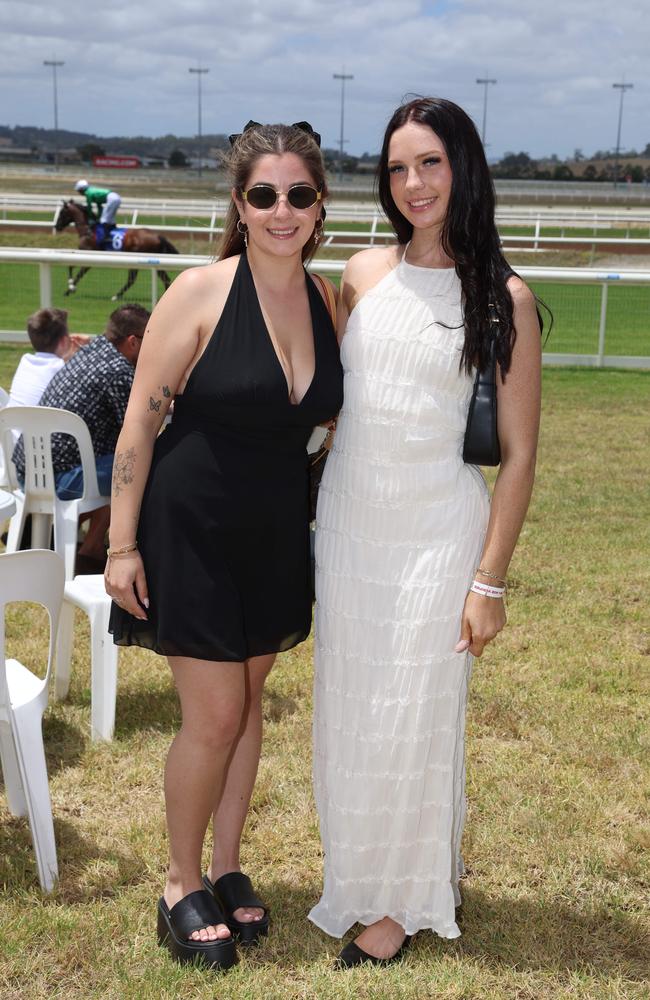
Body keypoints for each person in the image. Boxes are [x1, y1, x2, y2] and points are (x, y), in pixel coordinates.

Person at [309, 97, 543, 967]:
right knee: (355, 710)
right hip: (349, 522)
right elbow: (331, 407)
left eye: (432, 163)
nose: (414, 183)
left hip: (437, 533)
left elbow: (517, 456)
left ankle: (401, 906)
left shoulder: (503, 297)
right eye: (399, 167)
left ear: (465, 169)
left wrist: (490, 582)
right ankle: (365, 873)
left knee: (415, 712)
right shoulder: (360, 276)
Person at [104, 121, 343, 970]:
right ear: (239, 206)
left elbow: (330, 417)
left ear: (321, 208)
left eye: (300, 195)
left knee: (246, 711)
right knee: (211, 717)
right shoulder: (198, 292)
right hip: (192, 529)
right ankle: (178, 881)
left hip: (276, 532)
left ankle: (228, 864)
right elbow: (141, 418)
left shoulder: (326, 301)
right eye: (264, 195)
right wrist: (121, 544)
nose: (283, 211)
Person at [12, 304, 149, 571]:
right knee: (136, 464)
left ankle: (74, 539)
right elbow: (138, 431)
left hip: (26, 473)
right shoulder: (118, 371)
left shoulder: (91, 351)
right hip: (60, 478)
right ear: (132, 341)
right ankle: (93, 549)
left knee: (116, 462)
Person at [7, 307, 88, 409]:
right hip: (46, 424)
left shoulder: (25, 361)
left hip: (12, 423)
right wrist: (87, 349)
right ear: (63, 341)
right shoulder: (65, 370)